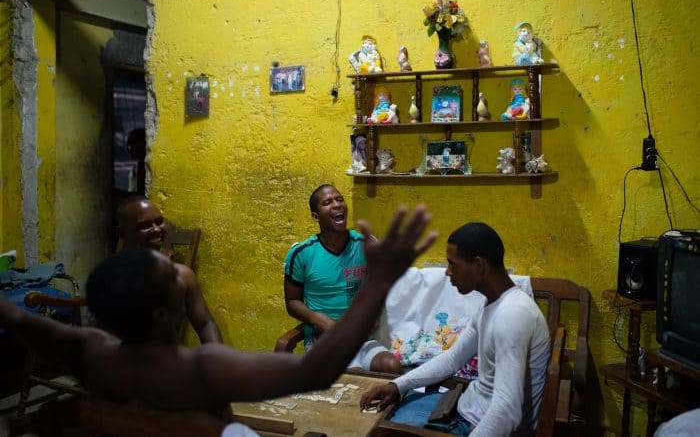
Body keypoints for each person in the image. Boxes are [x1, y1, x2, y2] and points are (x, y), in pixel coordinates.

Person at [0, 206, 436, 423]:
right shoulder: (200, 371)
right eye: (176, 290)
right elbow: (316, 370)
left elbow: (19, 320)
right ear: (162, 315)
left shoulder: (90, 352)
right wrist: (380, 279)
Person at [360, 222, 550, 436]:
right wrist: (397, 385)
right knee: (371, 420)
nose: (448, 272)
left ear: (479, 265)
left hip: (474, 425)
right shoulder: (491, 304)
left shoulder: (512, 315)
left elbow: (507, 412)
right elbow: (453, 358)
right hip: (462, 407)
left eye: (453, 264)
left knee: (374, 430)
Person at [284, 185, 404, 374]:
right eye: (327, 202)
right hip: (323, 341)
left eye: (339, 199)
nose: (337, 205)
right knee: (353, 376)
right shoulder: (302, 253)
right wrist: (320, 320)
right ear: (316, 216)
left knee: (392, 367)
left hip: (361, 339)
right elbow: (292, 302)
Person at [116, 196, 223, 344]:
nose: (156, 229)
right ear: (123, 233)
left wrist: (215, 358)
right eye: (144, 225)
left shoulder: (182, 275)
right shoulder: (112, 276)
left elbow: (205, 323)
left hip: (167, 359)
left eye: (159, 221)